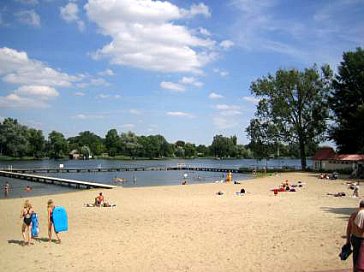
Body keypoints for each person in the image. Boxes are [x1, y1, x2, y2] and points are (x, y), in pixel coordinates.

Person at [346, 200, 364, 270]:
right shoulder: (362, 214)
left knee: (356, 259)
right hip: (361, 240)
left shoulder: (353, 214)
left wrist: (347, 241)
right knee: (361, 263)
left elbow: (348, 229)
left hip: (354, 238)